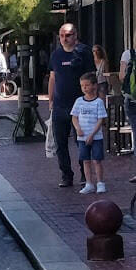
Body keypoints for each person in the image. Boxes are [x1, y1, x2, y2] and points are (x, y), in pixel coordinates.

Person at [49, 23, 95, 188]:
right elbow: (53, 77)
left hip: (80, 106)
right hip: (60, 106)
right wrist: (51, 100)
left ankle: (85, 173)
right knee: (60, 144)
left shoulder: (83, 52)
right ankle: (66, 175)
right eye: (61, 35)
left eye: (68, 35)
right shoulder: (55, 55)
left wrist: (92, 100)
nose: (64, 38)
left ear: (76, 35)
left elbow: (92, 76)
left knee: (81, 141)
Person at [72, 72, 108, 194]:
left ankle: (100, 182)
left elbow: (100, 119)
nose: (85, 88)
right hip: (82, 137)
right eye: (82, 86)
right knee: (85, 160)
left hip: (96, 137)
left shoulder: (98, 102)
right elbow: (74, 117)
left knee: (97, 160)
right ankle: (89, 183)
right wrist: (78, 129)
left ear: (94, 86)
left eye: (87, 85)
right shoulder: (78, 101)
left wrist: (92, 134)